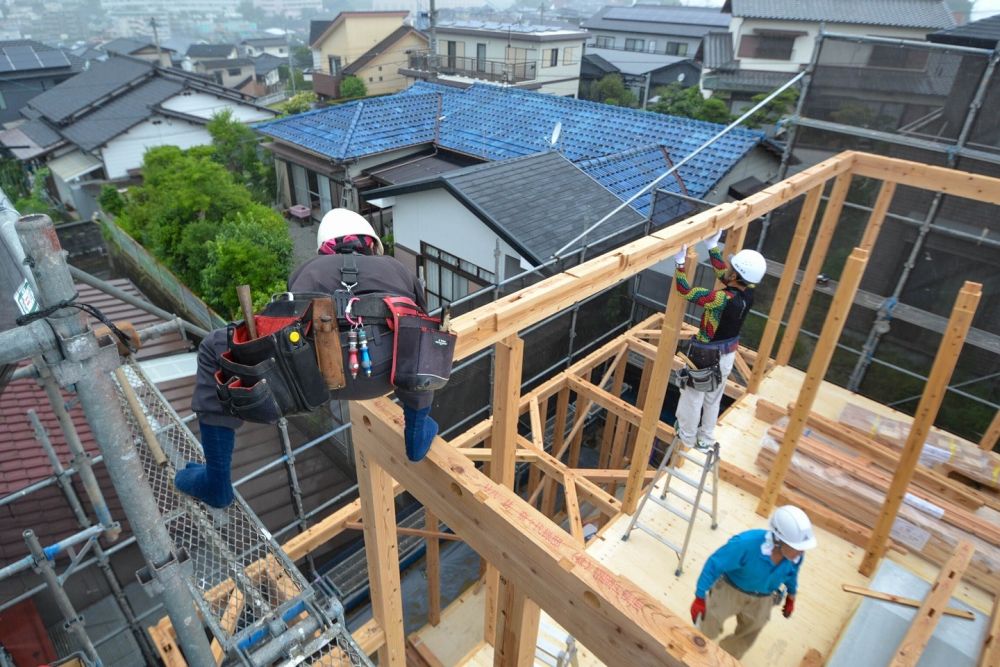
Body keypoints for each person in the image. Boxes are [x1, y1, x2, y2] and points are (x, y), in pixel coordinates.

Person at [176, 209, 439, 508]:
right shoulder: (398, 269)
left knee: (214, 345)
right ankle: (417, 432)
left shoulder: (308, 270)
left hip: (312, 383)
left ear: (326, 245)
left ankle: (216, 479)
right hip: (384, 376)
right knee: (418, 336)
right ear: (371, 243)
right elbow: (421, 333)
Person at [672, 232, 766, 451]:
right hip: (726, 355)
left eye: (733, 268)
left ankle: (686, 439)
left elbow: (684, 291)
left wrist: (679, 262)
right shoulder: (747, 293)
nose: (729, 270)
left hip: (706, 357)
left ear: (737, 275)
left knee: (693, 397)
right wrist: (712, 246)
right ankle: (705, 439)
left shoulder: (721, 299)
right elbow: (725, 275)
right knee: (713, 398)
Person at [689, 506, 817, 659]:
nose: (801, 552)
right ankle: (694, 653)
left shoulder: (795, 556)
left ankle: (724, 660)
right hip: (730, 590)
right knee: (709, 623)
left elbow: (792, 575)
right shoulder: (745, 544)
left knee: (748, 634)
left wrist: (791, 597)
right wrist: (699, 597)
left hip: (764, 598)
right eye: (797, 548)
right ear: (778, 540)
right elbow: (714, 565)